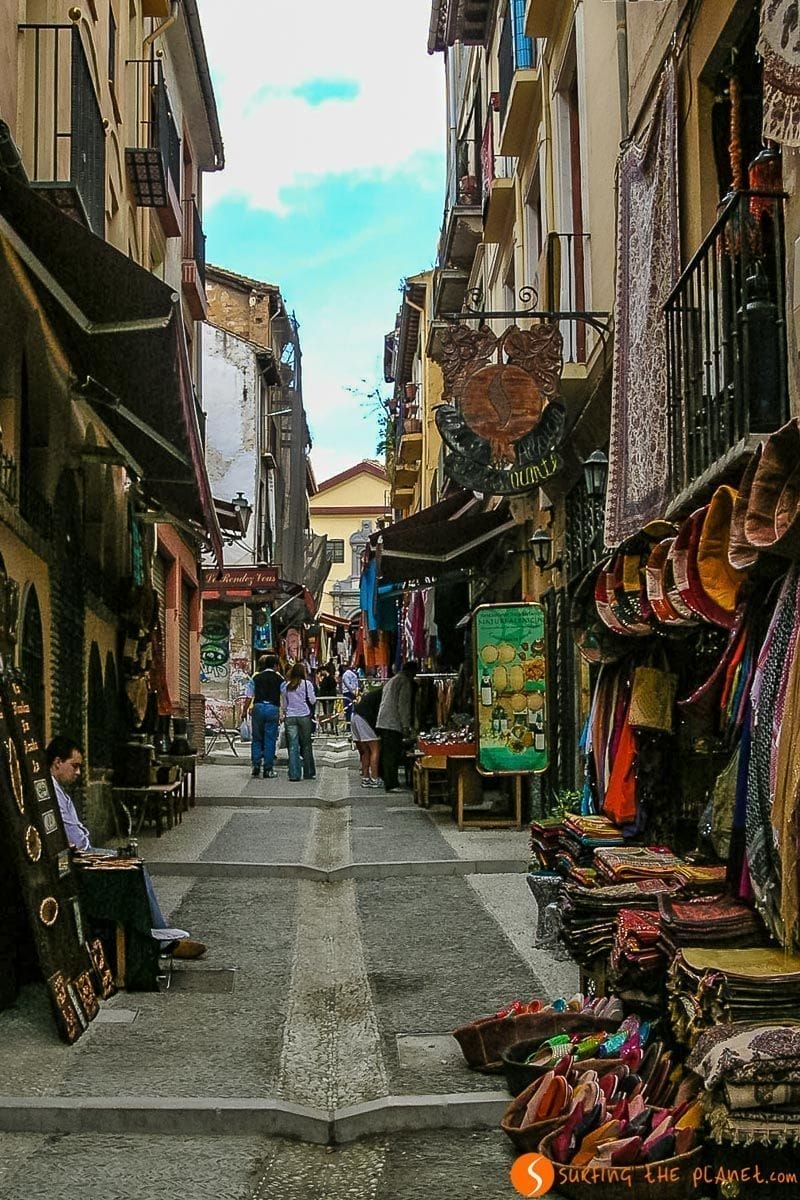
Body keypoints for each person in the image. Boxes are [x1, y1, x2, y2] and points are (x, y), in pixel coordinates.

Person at [46, 737, 206, 959]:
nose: (79, 773)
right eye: (75, 766)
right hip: (77, 859)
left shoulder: (59, 790)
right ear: (56, 763)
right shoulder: (51, 792)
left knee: (135, 865)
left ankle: (157, 936)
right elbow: (77, 839)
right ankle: (159, 941)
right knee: (133, 868)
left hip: (81, 852)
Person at [376, 661, 418, 793]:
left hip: (383, 720)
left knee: (387, 752)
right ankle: (391, 783)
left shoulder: (392, 680)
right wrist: (405, 726)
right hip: (392, 722)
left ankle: (386, 779)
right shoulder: (404, 682)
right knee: (392, 754)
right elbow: (403, 705)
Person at [242, 653, 283, 778]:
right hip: (272, 708)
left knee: (257, 738)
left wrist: (244, 711)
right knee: (270, 739)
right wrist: (284, 711)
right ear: (275, 665)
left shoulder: (256, 678)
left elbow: (249, 696)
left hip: (258, 707)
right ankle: (268, 769)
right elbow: (285, 695)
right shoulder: (279, 679)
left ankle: (255, 765)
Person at [280, 663, 316, 782]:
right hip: (304, 715)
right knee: (306, 744)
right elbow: (312, 700)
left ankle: (294, 774)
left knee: (293, 745)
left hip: (290, 716)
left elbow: (284, 704)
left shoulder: (286, 686)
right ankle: (308, 772)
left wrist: (286, 712)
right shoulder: (307, 684)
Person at [351, 684, 383, 788]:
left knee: (365, 751)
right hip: (364, 718)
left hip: (355, 716)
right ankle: (374, 778)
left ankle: (365, 777)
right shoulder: (385, 695)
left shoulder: (375, 694)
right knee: (375, 749)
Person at [316, 665, 338, 732]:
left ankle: (330, 728)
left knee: (329, 713)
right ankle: (327, 727)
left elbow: (324, 687)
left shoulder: (329, 678)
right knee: (326, 713)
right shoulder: (328, 678)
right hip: (326, 698)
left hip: (328, 698)